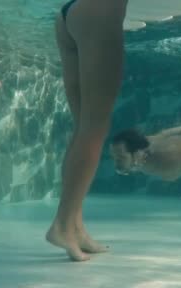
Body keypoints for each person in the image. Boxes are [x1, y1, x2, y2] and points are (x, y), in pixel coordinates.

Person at [46, 0, 129, 262]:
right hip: (101, 10)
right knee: (94, 127)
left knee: (83, 126)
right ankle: (62, 225)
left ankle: (75, 226)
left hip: (71, 12)